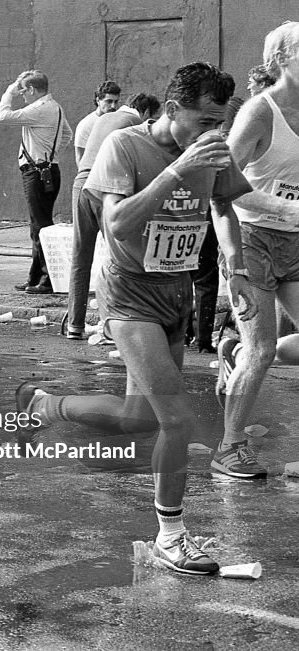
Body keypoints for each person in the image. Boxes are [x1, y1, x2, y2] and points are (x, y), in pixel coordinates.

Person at [15, 62, 257, 574]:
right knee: (177, 418)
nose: (213, 133)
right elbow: (117, 225)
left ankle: (46, 404)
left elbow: (224, 208)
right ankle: (171, 536)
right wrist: (177, 171)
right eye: (204, 122)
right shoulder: (125, 146)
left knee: (139, 419)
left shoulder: (212, 148)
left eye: (220, 124)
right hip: (130, 299)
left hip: (177, 297)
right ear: (171, 110)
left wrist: (235, 267)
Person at [214, 21, 299, 479]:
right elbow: (225, 184)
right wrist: (289, 208)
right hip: (252, 239)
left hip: (296, 239)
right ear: (282, 60)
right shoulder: (259, 113)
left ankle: (233, 357)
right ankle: (229, 448)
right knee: (262, 347)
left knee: (259, 348)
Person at [64, 93, 161, 340]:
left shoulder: (105, 118)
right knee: (120, 257)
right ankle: (114, 325)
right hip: (106, 187)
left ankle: (75, 325)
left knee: (80, 257)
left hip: (81, 185)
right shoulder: (134, 126)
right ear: (147, 113)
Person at [0, 70, 73, 295]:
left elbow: (3, 116)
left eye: (23, 91)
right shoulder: (55, 107)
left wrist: (9, 91)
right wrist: (51, 155)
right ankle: (35, 276)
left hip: (37, 173)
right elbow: (67, 134)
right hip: (48, 170)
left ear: (31, 89)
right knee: (37, 225)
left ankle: (48, 280)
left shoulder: (39, 109)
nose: (22, 96)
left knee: (41, 227)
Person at [74, 80, 121, 169]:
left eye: (116, 102)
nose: (113, 106)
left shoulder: (119, 120)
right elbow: (80, 157)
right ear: (98, 100)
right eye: (109, 101)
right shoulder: (86, 124)